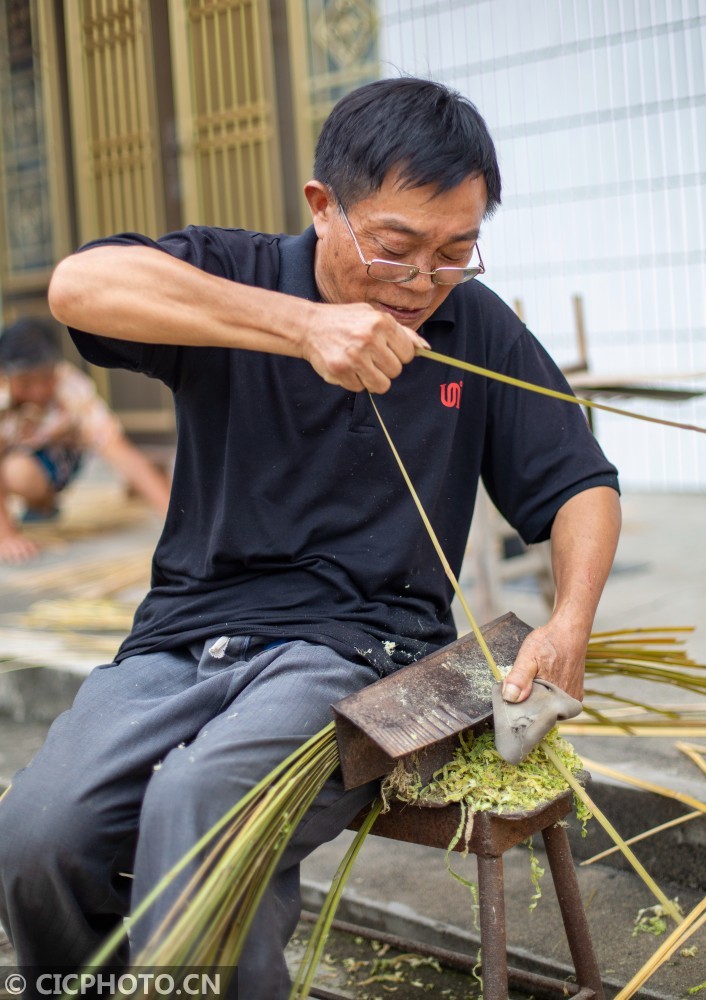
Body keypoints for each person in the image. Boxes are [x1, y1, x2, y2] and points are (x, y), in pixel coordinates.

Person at [0, 77, 621, 997]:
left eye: (457, 251)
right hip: (181, 637)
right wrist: (301, 328)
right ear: (323, 207)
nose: (420, 283)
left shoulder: (472, 328)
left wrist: (569, 621)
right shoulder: (234, 276)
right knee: (36, 835)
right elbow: (78, 286)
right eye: (396, 247)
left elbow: (580, 482)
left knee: (202, 807)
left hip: (359, 653)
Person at [0, 316, 171, 564]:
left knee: (17, 471)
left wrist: (170, 514)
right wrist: (6, 535)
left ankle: (43, 504)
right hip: (11, 455)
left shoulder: (71, 388)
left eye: (46, 379)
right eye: (26, 383)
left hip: (51, 461)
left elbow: (117, 449)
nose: (38, 391)